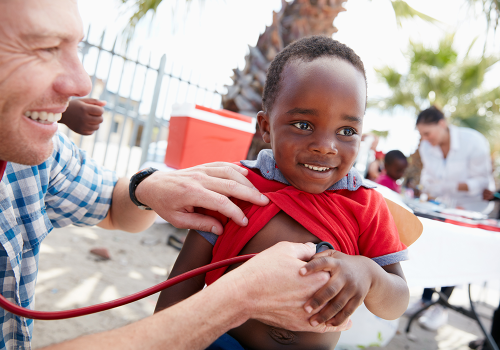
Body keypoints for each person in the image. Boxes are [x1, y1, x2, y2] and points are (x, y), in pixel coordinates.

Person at [0, 1, 341, 349]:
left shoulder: (37, 158)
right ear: (266, 128)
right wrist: (236, 299)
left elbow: (114, 208)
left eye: (77, 48)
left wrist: (145, 188)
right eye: (45, 48)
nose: (81, 81)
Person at [155, 36, 410, 350]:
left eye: (347, 131)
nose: (326, 146)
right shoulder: (236, 186)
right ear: (265, 128)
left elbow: (396, 302)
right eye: (303, 124)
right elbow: (180, 285)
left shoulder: (366, 204)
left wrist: (369, 272)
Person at [405, 106, 494, 331]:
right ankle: (425, 300)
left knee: (457, 252)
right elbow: (429, 179)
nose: (424, 139)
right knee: (435, 247)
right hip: (444, 207)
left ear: (442, 124)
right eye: (421, 134)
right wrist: (439, 188)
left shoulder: (473, 141)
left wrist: (447, 186)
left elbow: (481, 184)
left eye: (428, 133)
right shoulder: (427, 147)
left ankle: (441, 306)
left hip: (472, 208)